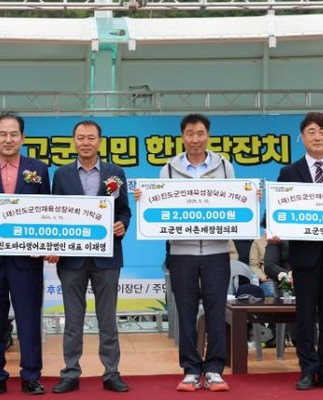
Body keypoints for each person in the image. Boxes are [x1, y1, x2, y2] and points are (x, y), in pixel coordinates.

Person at [136, 113, 233, 392]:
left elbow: (236, 200)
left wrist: (251, 198)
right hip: (181, 252)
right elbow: (159, 205)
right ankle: (190, 369)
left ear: (208, 135)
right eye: (189, 134)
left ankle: (214, 370)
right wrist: (145, 199)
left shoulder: (224, 166)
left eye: (200, 133)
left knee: (216, 311)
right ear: (182, 137)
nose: (195, 139)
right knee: (186, 313)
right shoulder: (167, 169)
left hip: (216, 250)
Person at [0, 112, 51, 396]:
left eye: (13, 134)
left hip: (27, 260)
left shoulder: (38, 169)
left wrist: (44, 244)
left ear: (23, 138)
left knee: (29, 319)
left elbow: (48, 210)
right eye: (2, 134)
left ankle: (31, 375)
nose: (8, 139)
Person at [51, 120, 131, 394]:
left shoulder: (115, 173)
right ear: (74, 141)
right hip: (71, 259)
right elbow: (54, 214)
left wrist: (122, 224)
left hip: (106, 258)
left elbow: (124, 210)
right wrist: (54, 245)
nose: (85, 143)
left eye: (90, 138)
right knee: (73, 320)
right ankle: (70, 373)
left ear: (99, 141)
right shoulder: (61, 175)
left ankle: (111, 373)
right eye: (80, 138)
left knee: (107, 319)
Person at [276, 112, 323, 390]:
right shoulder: (289, 172)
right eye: (311, 131)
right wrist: (273, 225)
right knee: (305, 315)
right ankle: (307, 369)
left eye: (322, 131)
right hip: (304, 255)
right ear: (302, 137)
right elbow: (278, 210)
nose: (317, 136)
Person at [249, 217, 274, 298]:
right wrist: (262, 277)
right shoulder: (258, 242)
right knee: (270, 292)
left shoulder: (287, 240)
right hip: (267, 279)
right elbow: (254, 265)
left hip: (287, 278)